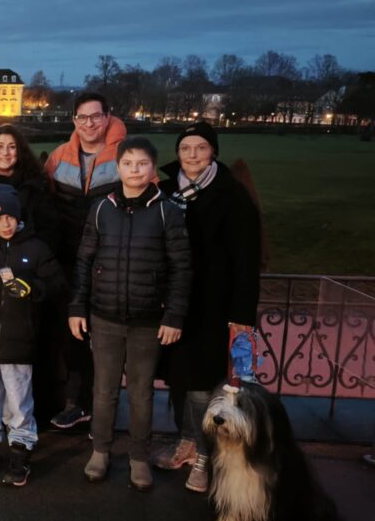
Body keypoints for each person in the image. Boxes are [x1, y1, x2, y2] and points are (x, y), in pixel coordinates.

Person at [68, 137, 192, 491]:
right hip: (105, 316)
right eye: (128, 163)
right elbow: (84, 261)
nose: (135, 170)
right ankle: (101, 451)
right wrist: (78, 307)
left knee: (141, 394)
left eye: (142, 164)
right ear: (118, 167)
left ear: (153, 169)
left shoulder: (168, 211)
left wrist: (174, 316)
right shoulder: (101, 208)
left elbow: (182, 268)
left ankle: (139, 456)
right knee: (103, 391)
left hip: (147, 319)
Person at [153, 121, 262, 492]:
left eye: (201, 148)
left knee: (201, 386)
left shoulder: (232, 195)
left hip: (212, 305)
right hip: (173, 303)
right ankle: (186, 442)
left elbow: (246, 261)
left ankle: (204, 456)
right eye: (186, 149)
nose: (193, 155)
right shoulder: (167, 189)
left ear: (212, 151)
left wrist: (242, 316)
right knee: (180, 381)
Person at [0, 185, 65, 487]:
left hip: (19, 341)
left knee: (20, 402)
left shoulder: (35, 247)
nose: (5, 223)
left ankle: (21, 448)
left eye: (10, 217)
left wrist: (34, 289)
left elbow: (58, 284)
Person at [44, 92, 127, 430]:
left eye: (96, 116)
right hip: (66, 260)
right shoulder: (59, 156)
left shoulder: (126, 154)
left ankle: (101, 407)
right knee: (71, 334)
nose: (89, 123)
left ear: (108, 117)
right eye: (83, 117)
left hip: (110, 261)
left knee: (106, 337)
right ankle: (78, 403)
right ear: (74, 121)